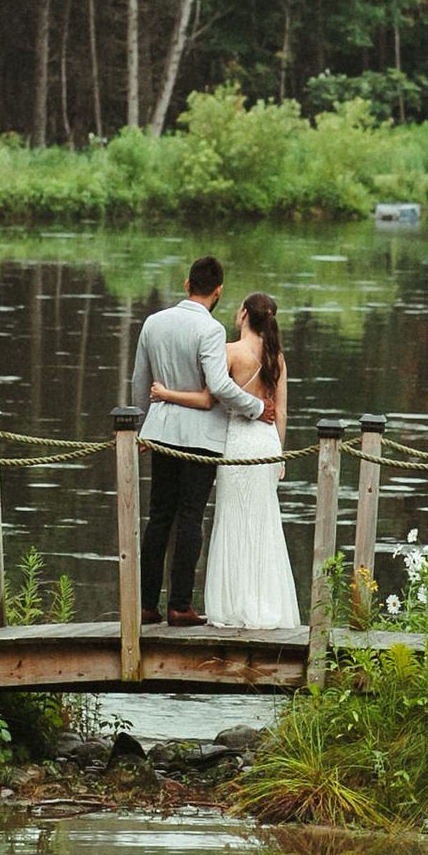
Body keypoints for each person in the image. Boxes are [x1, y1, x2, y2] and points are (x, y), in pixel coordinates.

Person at [148, 290, 300, 630]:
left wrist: (164, 394)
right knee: (263, 524)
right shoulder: (278, 358)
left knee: (231, 520)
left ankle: (232, 606)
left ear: (244, 314)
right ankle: (266, 605)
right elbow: (282, 411)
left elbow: (208, 398)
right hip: (265, 447)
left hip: (236, 445)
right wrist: (279, 454)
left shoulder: (230, 351)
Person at [130, 255, 269, 626]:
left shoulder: (153, 322)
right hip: (200, 437)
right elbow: (220, 386)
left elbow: (139, 381)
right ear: (219, 291)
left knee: (158, 516)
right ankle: (179, 605)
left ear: (186, 283)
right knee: (190, 516)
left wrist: (143, 425)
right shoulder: (210, 331)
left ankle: (145, 605)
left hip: (160, 433)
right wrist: (256, 407)